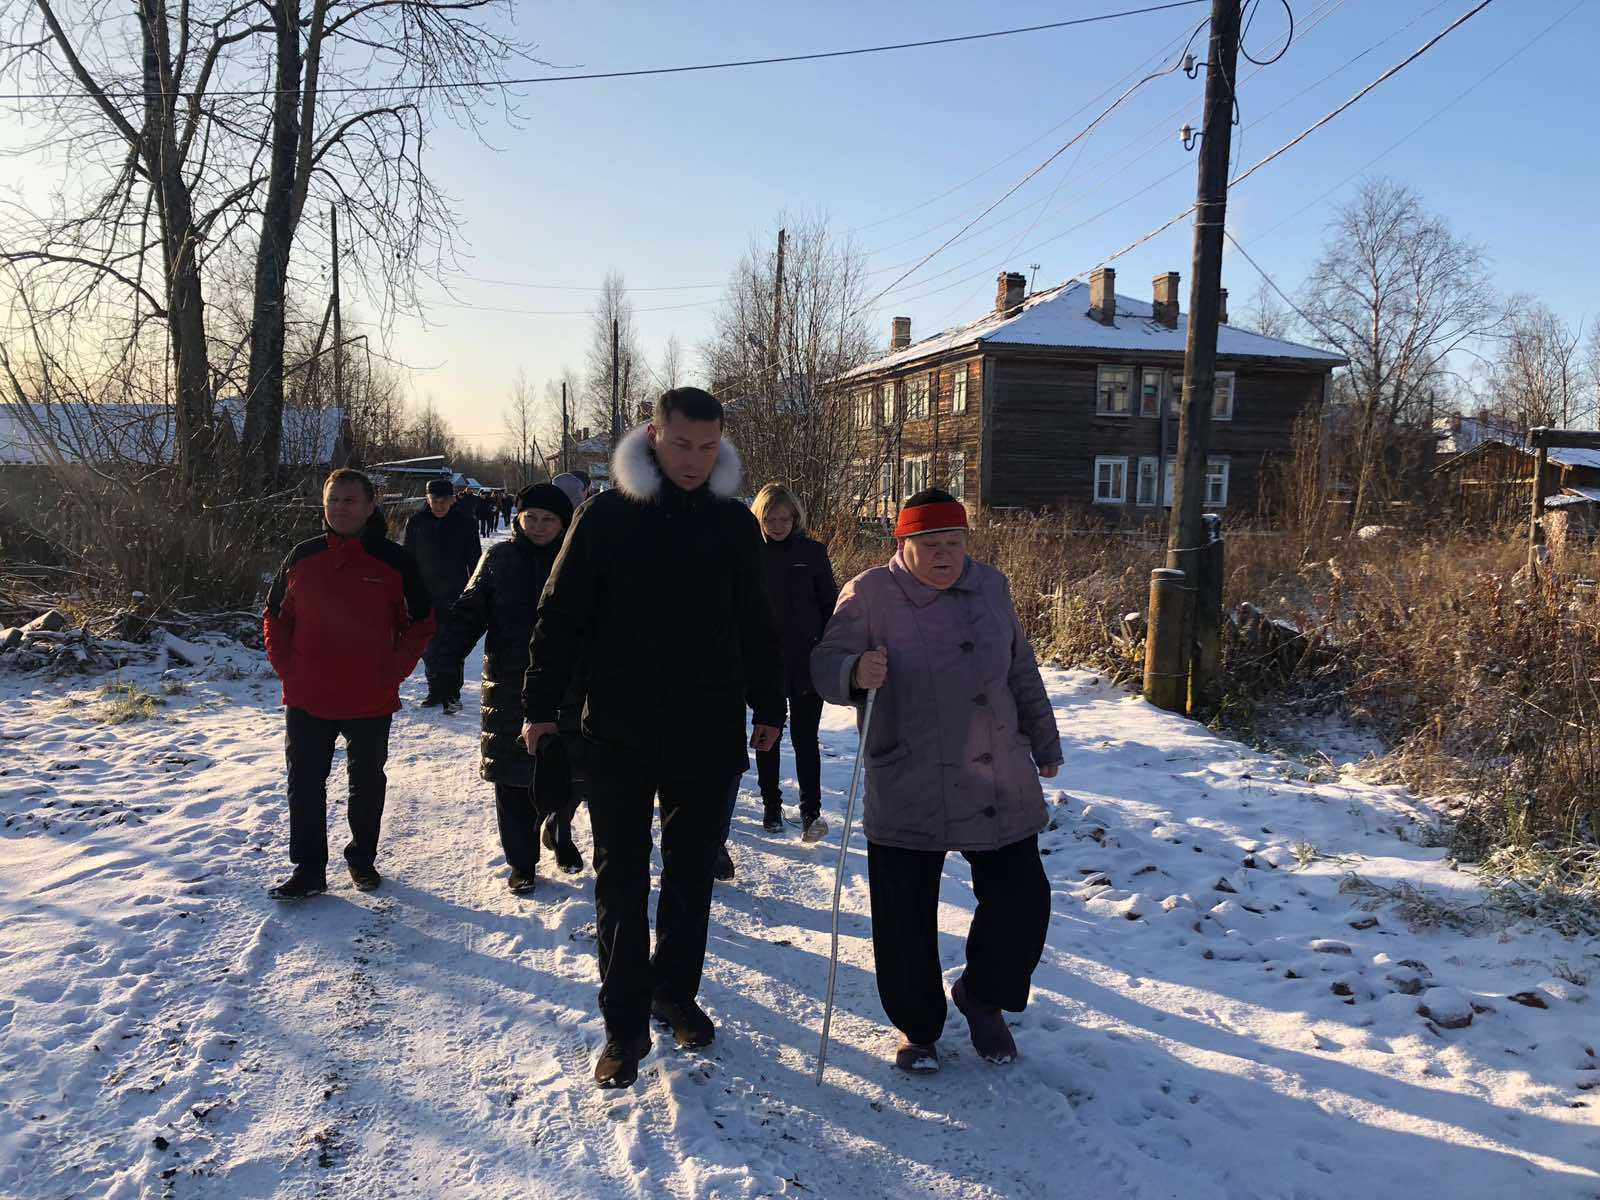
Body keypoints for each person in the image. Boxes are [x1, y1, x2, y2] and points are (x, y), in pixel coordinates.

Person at [522, 387, 783, 1090]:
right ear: (653, 436)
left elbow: (758, 623)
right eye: (681, 445)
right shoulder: (606, 515)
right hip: (618, 728)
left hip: (709, 727)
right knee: (622, 879)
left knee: (693, 877)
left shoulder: (733, 525)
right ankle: (624, 1026)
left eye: (707, 447)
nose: (694, 461)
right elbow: (561, 616)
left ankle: (674, 991)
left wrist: (770, 706)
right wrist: (538, 705)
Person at [811, 488, 1062, 1074]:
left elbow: (1020, 667)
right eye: (929, 544)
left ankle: (983, 994)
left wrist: (1044, 741)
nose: (944, 555)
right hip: (910, 772)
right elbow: (824, 663)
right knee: (904, 915)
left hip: (995, 770)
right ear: (904, 543)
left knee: (1024, 900)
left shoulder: (992, 586)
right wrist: (852, 670)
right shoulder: (870, 594)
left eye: (953, 542)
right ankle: (917, 1028)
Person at [262, 468, 435, 900]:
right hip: (307, 695)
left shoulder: (394, 562)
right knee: (303, 782)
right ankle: (308, 868)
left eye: (350, 500)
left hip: (369, 696)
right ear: (323, 505)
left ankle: (362, 859)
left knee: (367, 783)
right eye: (333, 499)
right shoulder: (301, 557)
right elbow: (275, 618)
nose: (340, 507)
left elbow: (421, 622)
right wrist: (288, 667)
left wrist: (393, 670)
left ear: (370, 506)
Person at [429, 482, 581, 893]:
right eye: (530, 517)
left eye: (548, 519)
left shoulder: (579, 561)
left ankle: (559, 830)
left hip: (567, 686)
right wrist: (447, 658)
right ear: (517, 517)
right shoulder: (498, 559)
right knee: (513, 780)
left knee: (572, 774)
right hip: (509, 686)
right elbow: (467, 613)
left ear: (563, 523)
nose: (538, 526)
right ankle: (522, 863)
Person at [745, 482, 838, 846]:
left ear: (796, 518)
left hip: (806, 660)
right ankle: (771, 806)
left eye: (786, 518)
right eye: (771, 518)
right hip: (766, 662)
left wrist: (833, 644)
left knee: (805, 739)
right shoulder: (751, 553)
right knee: (768, 735)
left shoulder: (812, 553)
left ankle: (810, 811)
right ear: (761, 517)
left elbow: (829, 603)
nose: (779, 524)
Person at [402, 479, 481, 714]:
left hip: (455, 594)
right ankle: (435, 689)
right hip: (424, 595)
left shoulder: (465, 524)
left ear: (452, 499)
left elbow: (475, 561)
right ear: (428, 499)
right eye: (435, 500)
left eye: (444, 500)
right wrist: (407, 591)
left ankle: (451, 694)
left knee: (452, 646)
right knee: (429, 647)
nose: (439, 505)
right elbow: (408, 559)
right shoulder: (416, 523)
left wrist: (473, 592)